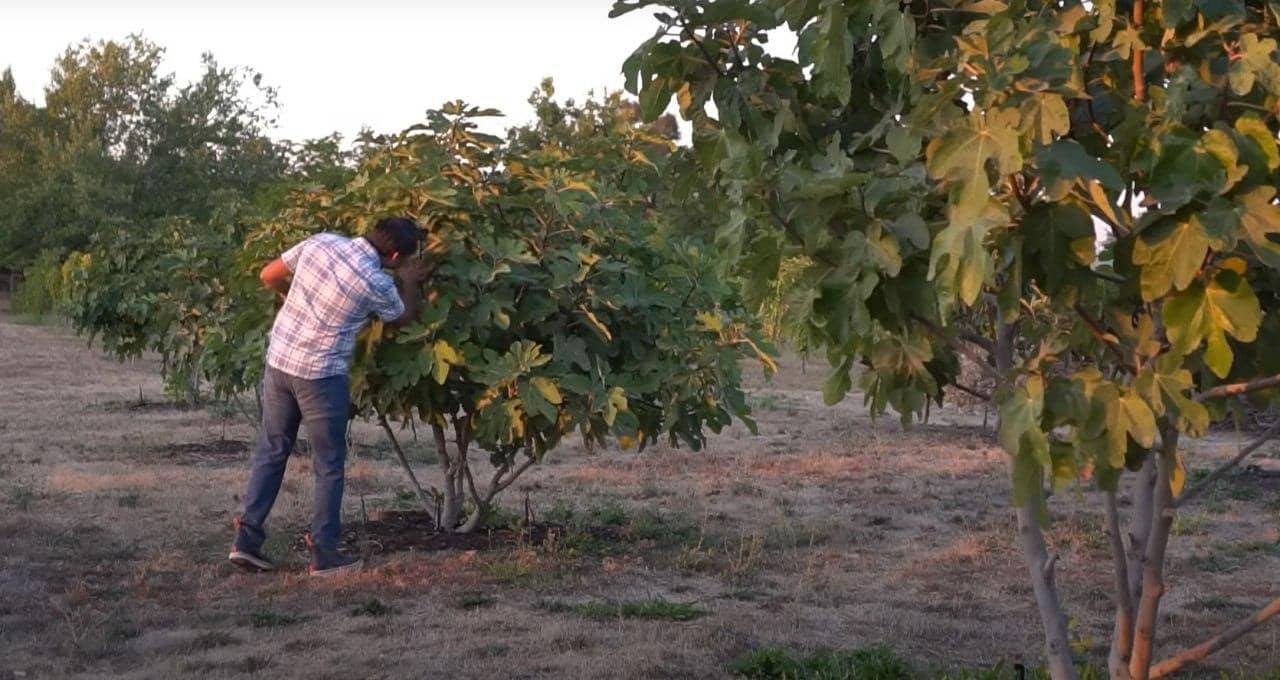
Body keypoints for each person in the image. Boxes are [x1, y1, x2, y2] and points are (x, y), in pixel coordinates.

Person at [228, 217, 427, 576]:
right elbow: (405, 319)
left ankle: (246, 539)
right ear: (395, 255)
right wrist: (410, 284)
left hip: (280, 362)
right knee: (329, 464)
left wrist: (298, 301)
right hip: (320, 375)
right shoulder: (377, 282)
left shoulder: (321, 242)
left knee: (273, 450)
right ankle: (324, 551)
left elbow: (268, 275)